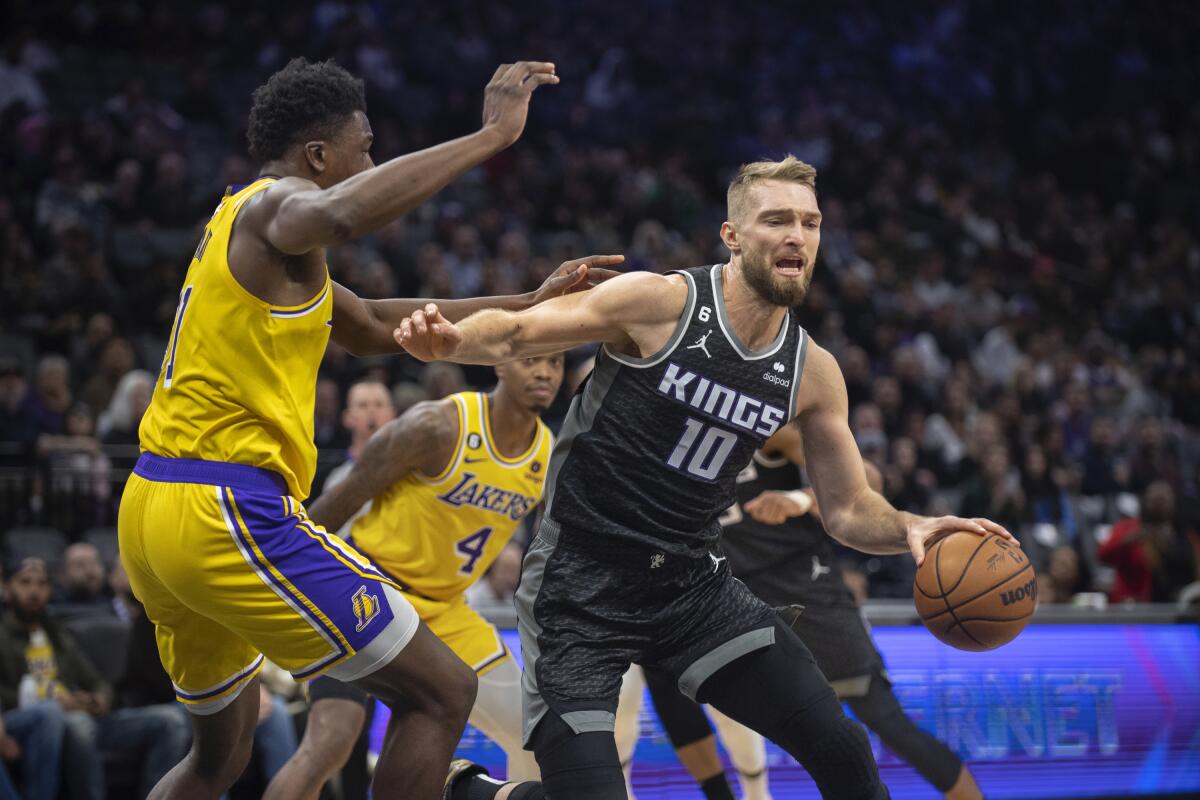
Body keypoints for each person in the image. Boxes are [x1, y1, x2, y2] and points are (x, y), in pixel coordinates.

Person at [398, 155, 1015, 799]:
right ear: (731, 235)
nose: (796, 236)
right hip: (578, 588)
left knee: (844, 749)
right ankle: (470, 793)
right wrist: (451, 341)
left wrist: (912, 525)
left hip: (692, 586)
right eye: (776, 220)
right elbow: (519, 332)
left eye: (810, 222)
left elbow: (850, 508)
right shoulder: (660, 302)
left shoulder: (813, 372)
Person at [116, 55, 619, 800]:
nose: (372, 162)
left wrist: (530, 302)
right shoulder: (273, 204)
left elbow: (376, 325)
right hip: (223, 509)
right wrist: (489, 138)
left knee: (216, 762)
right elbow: (343, 211)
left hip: (156, 506)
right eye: (367, 147)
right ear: (318, 156)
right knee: (440, 694)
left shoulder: (263, 240)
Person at [615, 423, 983, 800]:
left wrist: (803, 498)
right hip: (737, 596)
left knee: (887, 723)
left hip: (805, 586)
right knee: (709, 701)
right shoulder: (657, 435)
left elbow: (867, 479)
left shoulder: (763, 426)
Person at [267, 354, 562, 799]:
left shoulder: (546, 452)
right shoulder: (437, 426)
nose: (545, 372)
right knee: (330, 742)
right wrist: (273, 577)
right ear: (500, 364)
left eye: (556, 363)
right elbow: (336, 504)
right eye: (531, 360)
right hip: (367, 592)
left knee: (534, 731)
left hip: (447, 610)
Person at [1099, 480, 1200, 603]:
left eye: (1163, 499)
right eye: (1155, 499)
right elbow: (1103, 555)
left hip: (1180, 603)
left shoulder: (1186, 535)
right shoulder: (1128, 528)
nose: (1159, 504)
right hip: (1137, 606)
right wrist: (1128, 540)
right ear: (1145, 501)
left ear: (1173, 502)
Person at [318, 379, 396, 536]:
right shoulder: (330, 474)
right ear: (348, 417)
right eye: (363, 405)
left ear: (392, 415)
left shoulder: (409, 470)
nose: (372, 412)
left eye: (379, 404)